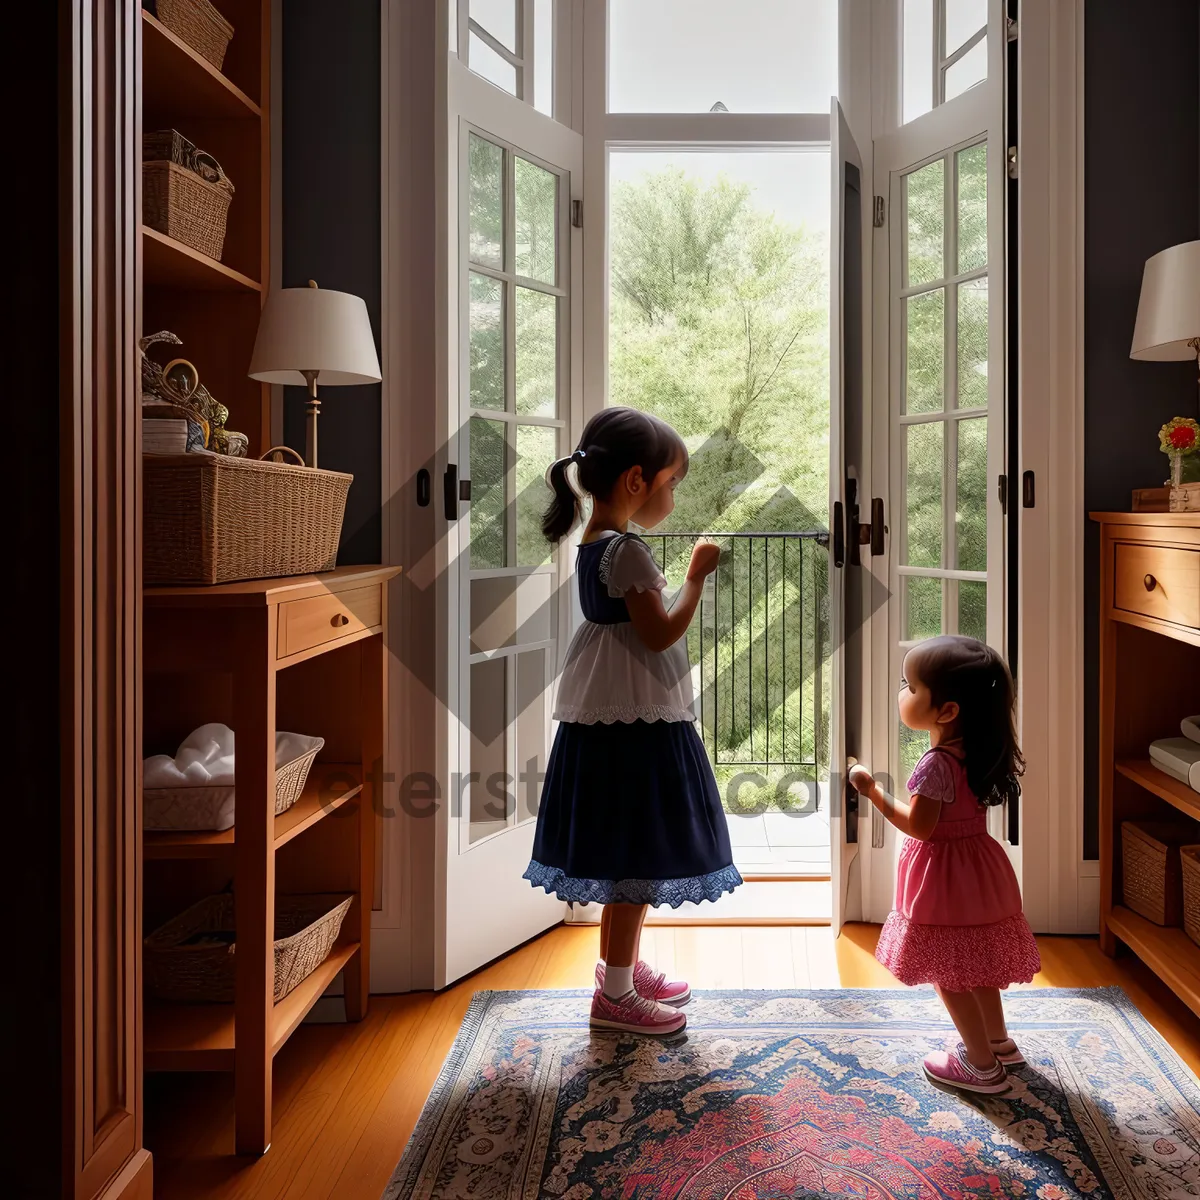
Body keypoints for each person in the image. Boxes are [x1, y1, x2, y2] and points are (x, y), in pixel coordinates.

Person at [523, 407, 742, 1035]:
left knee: (629, 850)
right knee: (636, 853)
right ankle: (616, 997)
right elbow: (658, 633)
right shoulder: (627, 552)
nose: (673, 496)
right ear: (636, 481)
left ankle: (620, 970)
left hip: (609, 711)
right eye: (672, 483)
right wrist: (695, 580)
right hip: (636, 723)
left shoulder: (594, 542)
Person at [848, 635, 1040, 1095]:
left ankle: (980, 1065)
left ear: (948, 711)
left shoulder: (935, 764)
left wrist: (871, 790)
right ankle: (998, 1042)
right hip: (979, 867)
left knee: (949, 973)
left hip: (944, 876)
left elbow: (921, 827)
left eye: (909, 687)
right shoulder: (979, 749)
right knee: (976, 961)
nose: (902, 693)